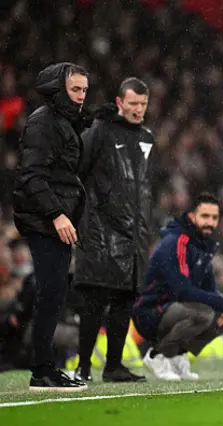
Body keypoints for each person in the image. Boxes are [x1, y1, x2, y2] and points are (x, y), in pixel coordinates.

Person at [12, 62, 89, 391]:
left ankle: (45, 368)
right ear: (59, 90)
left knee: (53, 294)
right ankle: (41, 370)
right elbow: (32, 176)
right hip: (44, 221)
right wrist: (57, 214)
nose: (82, 96)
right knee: (50, 294)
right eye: (75, 89)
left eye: (85, 90)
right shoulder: (44, 122)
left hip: (51, 220)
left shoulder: (60, 122)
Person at [72, 77, 154, 383]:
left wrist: (145, 227)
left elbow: (145, 188)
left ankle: (114, 366)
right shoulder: (101, 130)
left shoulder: (147, 138)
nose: (138, 109)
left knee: (124, 301)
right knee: (95, 300)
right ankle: (82, 366)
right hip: (100, 230)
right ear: (119, 102)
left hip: (134, 234)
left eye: (143, 104)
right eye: (132, 103)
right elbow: (79, 167)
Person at [132, 193, 223, 381]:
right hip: (150, 311)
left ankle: (177, 354)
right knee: (203, 314)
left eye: (214, 217)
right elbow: (182, 290)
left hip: (178, 309)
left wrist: (222, 306)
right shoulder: (176, 242)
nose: (210, 222)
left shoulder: (204, 244)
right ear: (192, 216)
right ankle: (157, 356)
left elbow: (208, 286)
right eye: (205, 216)